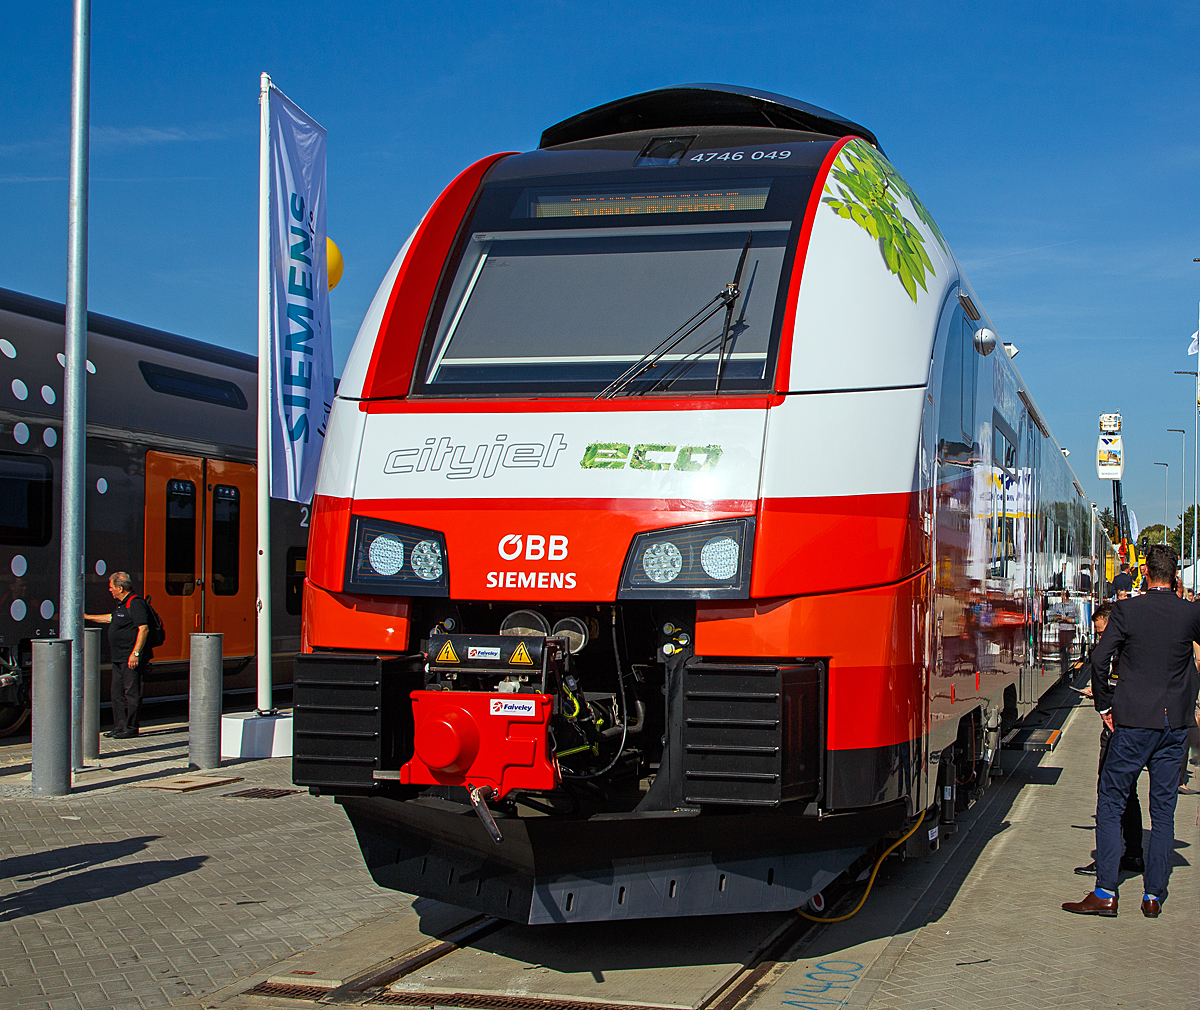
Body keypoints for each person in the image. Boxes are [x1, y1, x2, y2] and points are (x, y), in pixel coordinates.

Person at [1063, 544, 1200, 919]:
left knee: (1111, 801)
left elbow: (1099, 658)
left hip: (1134, 721)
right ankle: (1153, 895)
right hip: (1175, 726)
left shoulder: (1127, 611)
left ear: (1146, 574)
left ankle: (1106, 891)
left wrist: (1105, 705)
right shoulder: (1190, 613)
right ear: (1174, 576)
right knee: (1164, 809)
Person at [1073, 603, 1144, 876]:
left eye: (1102, 632)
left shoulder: (1118, 649)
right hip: (1136, 726)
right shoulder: (1132, 647)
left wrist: (1105, 703)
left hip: (1118, 729)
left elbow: (1103, 666)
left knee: (1109, 793)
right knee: (1129, 794)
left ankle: (1107, 862)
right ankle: (1133, 853)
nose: (1101, 638)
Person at [84, 572, 151, 739]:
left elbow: (144, 629)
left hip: (130, 658)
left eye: (111, 587)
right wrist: (86, 617)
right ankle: (119, 726)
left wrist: (135, 654)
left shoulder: (135, 603)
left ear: (120, 588)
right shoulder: (122, 605)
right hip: (118, 658)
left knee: (131, 693)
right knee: (116, 692)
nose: (110, 590)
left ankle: (131, 727)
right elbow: (111, 619)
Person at [1047, 588, 1077, 679]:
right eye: (1061, 595)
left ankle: (1066, 672)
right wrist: (1059, 618)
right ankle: (1062, 672)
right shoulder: (1057, 606)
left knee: (1067, 652)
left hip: (1069, 631)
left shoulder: (1073, 606)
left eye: (1063, 595)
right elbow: (1049, 618)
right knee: (1062, 652)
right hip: (1061, 631)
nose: (1062, 597)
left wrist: (1068, 620)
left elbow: (1078, 619)